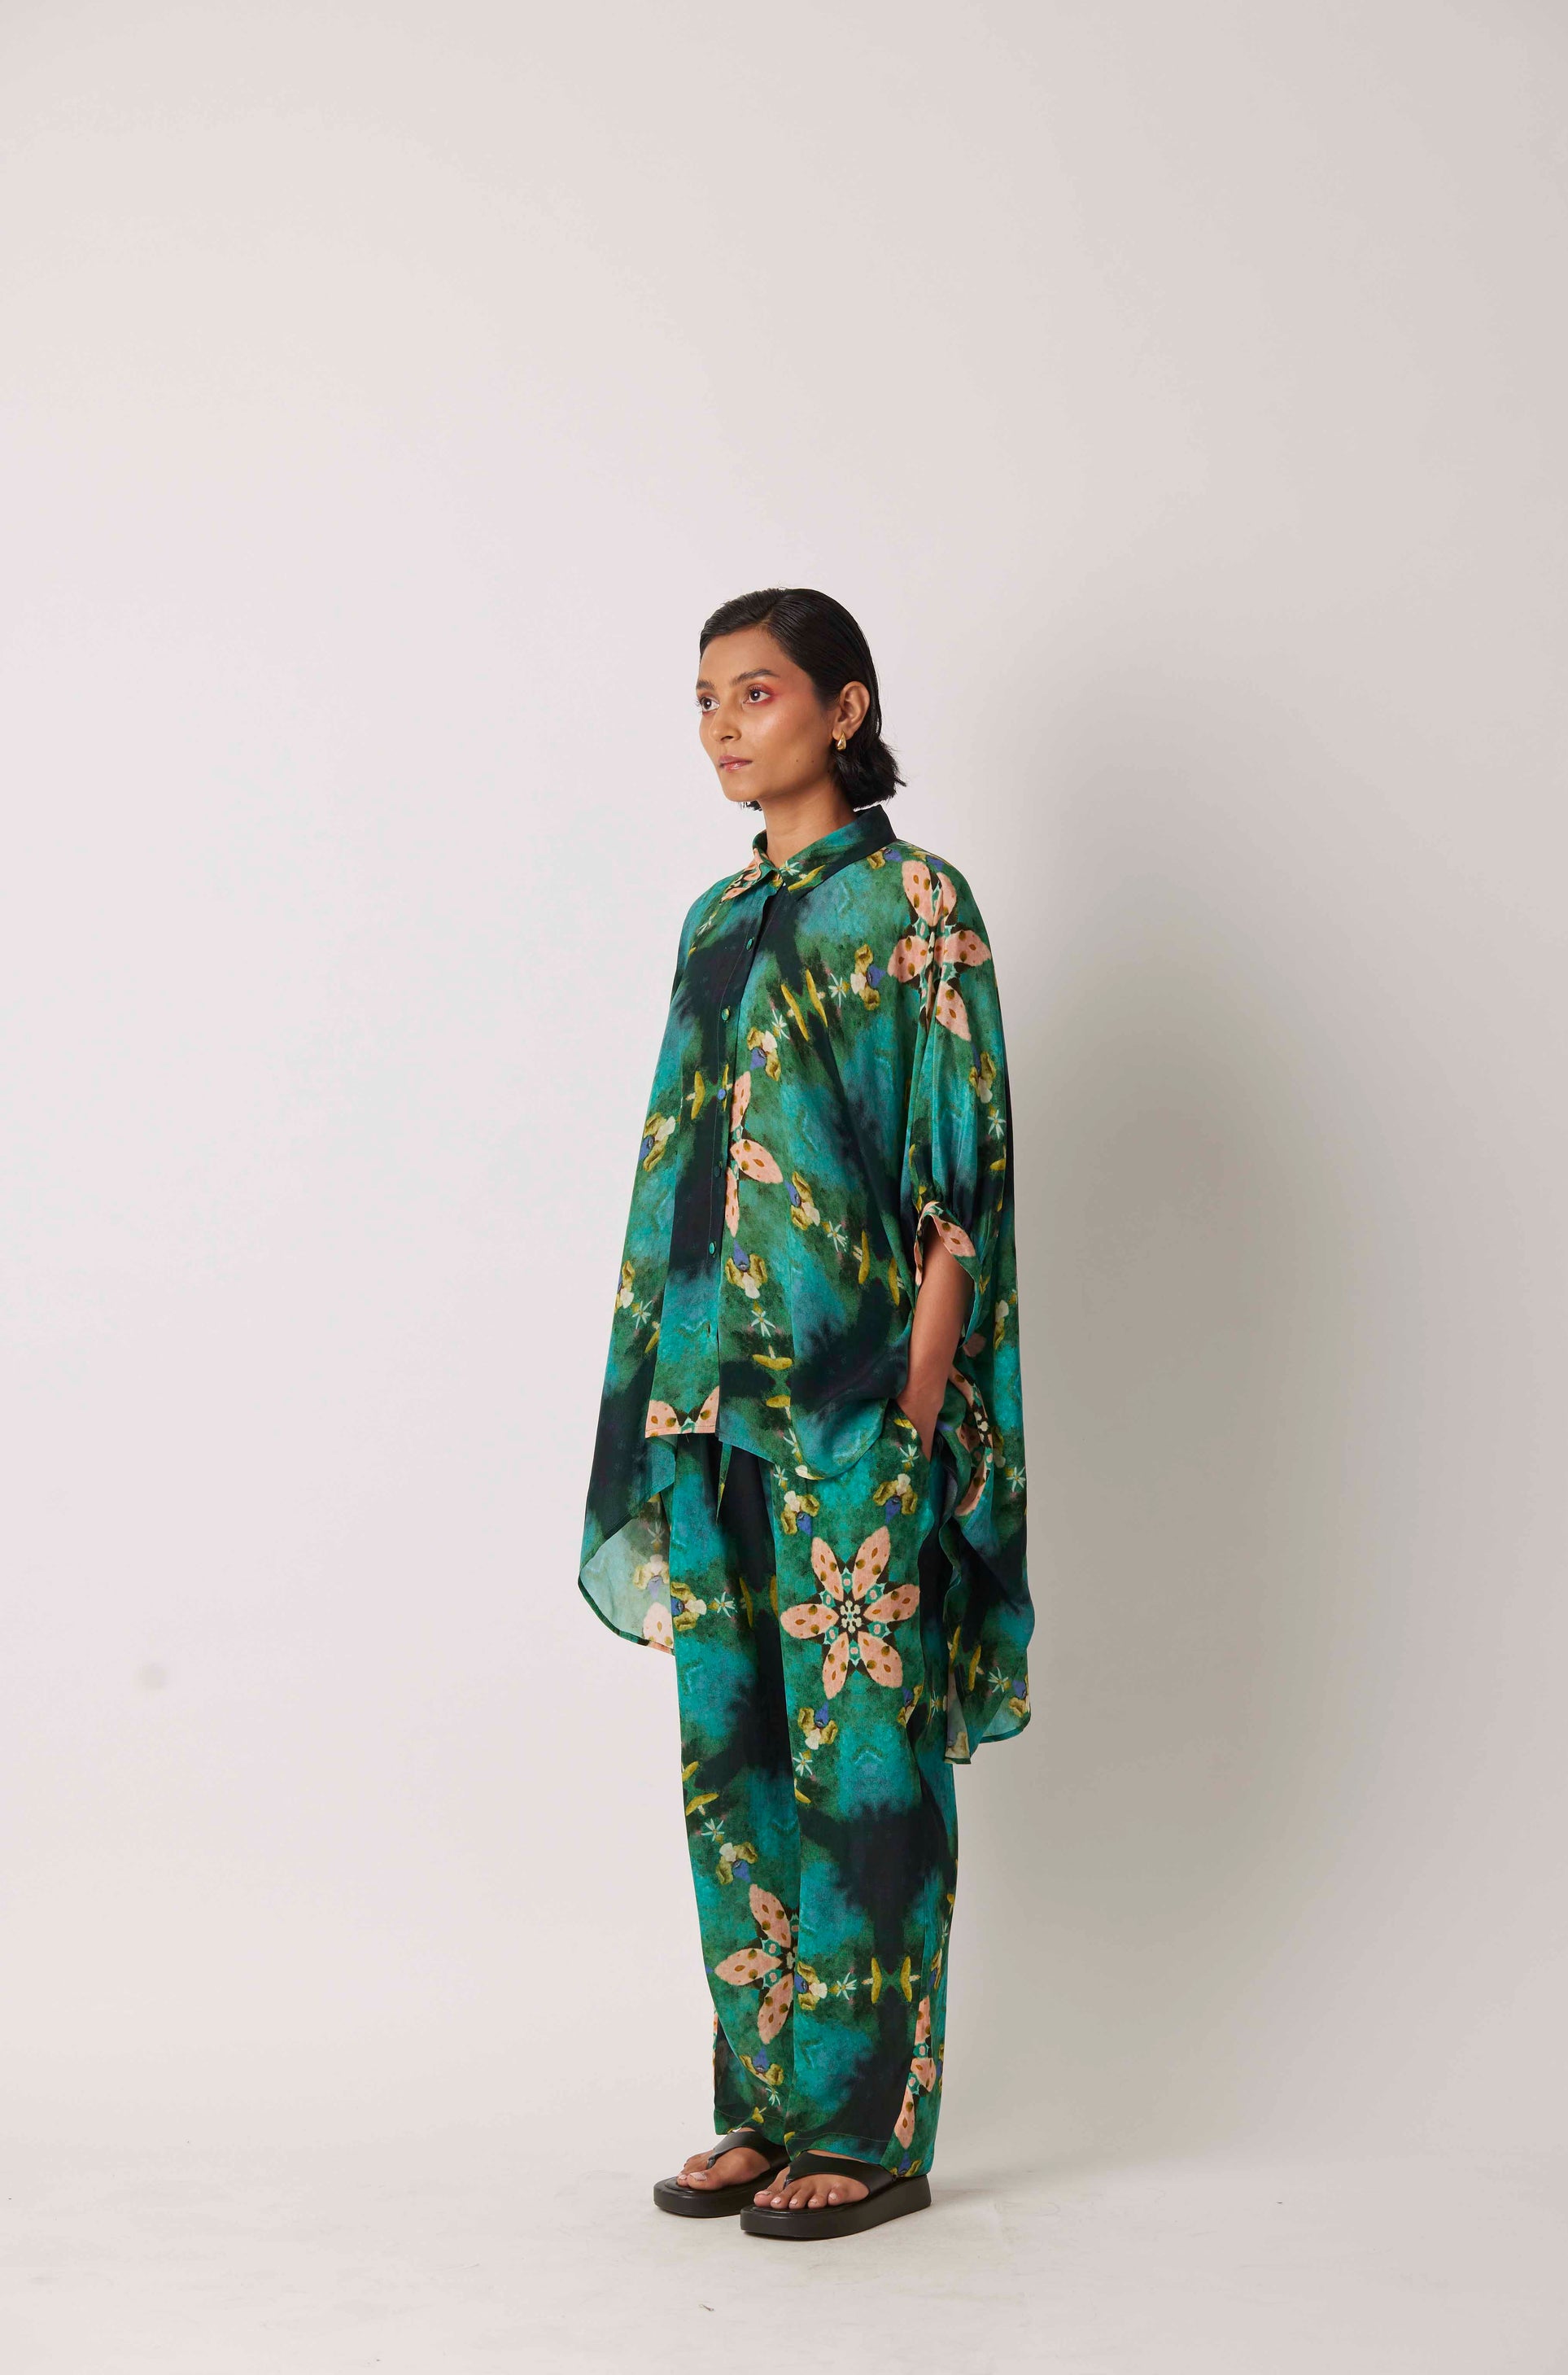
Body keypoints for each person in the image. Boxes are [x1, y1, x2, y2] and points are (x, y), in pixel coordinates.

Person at [578, 586, 1033, 2240]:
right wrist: (653, 1387)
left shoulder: (919, 904)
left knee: (864, 1773)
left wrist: (914, 1397)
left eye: (756, 692)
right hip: (706, 1401)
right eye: (704, 697)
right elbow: (678, 1163)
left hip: (852, 1405)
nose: (722, 724)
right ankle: (763, 2108)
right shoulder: (713, 917)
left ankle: (869, 2128)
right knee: (734, 1765)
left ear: (843, 710)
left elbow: (958, 1173)